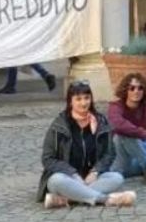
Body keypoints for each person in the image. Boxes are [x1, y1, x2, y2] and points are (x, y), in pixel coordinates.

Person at [36, 80, 136, 209]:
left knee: (117, 178)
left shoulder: (100, 121)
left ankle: (67, 199)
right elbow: (47, 159)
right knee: (56, 181)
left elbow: (109, 153)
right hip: (66, 177)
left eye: (87, 98)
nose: (83, 103)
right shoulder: (59, 125)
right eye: (78, 99)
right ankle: (106, 200)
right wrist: (72, 174)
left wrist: (95, 172)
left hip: (92, 178)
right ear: (70, 101)